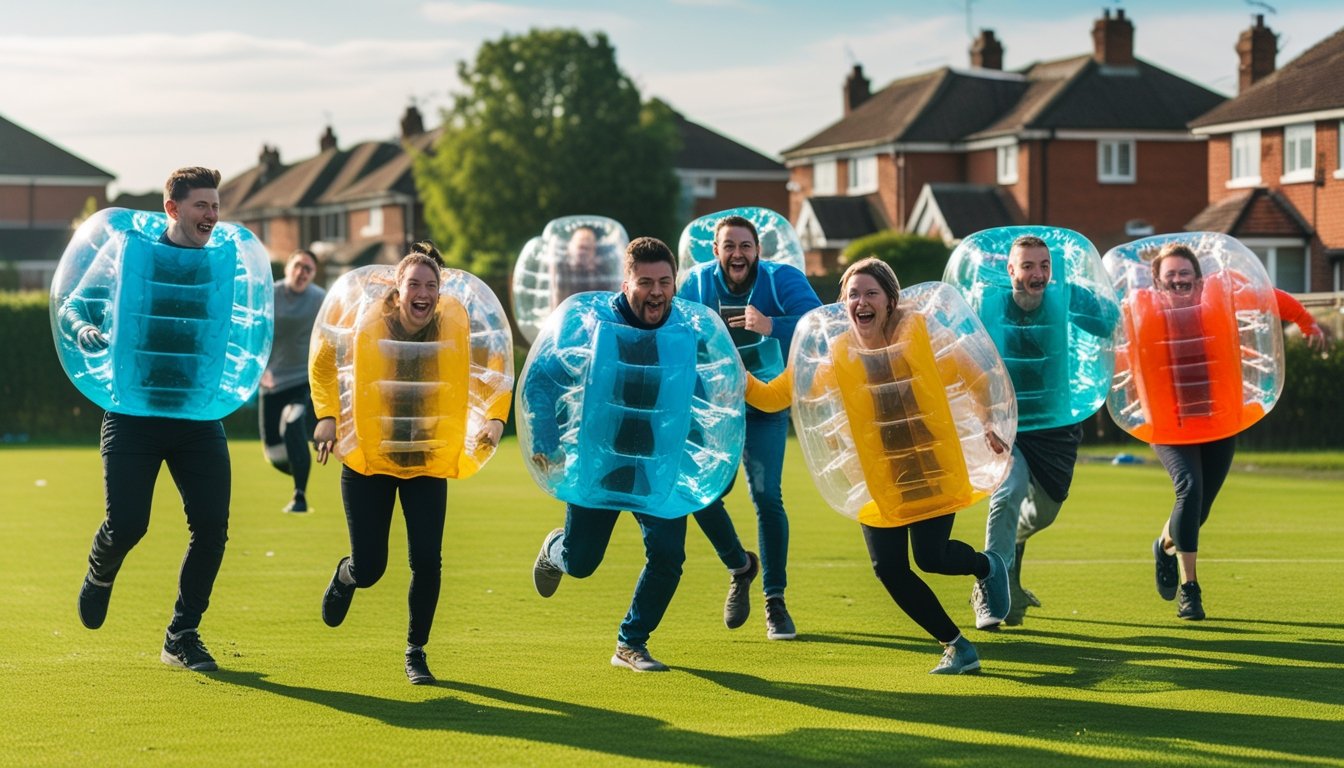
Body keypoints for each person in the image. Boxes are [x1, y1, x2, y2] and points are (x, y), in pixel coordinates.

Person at [745, 258, 1009, 674]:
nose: (861, 301)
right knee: (888, 567)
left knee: (932, 558)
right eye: (853, 294)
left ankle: (986, 566)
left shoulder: (918, 333)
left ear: (890, 300)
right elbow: (774, 397)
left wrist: (989, 421)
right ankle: (956, 645)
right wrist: (735, 375)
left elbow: (974, 376)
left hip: (931, 466)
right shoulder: (837, 354)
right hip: (879, 477)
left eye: (871, 293)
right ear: (843, 303)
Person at [311, 241, 508, 684]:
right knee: (372, 567)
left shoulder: (453, 325)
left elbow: (493, 363)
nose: (423, 292)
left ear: (439, 291)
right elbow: (325, 361)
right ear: (398, 290)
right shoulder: (366, 319)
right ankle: (347, 575)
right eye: (414, 284)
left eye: (431, 285)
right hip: (369, 460)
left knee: (427, 560)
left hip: (426, 457)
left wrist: (495, 418)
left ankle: (415, 651)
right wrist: (326, 417)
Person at [70, 167, 232, 672]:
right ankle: (101, 570)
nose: (212, 215)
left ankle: (182, 634)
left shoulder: (221, 266)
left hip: (196, 413)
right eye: (202, 205)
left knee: (212, 528)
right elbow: (77, 304)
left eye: (215, 205)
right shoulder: (129, 256)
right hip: (132, 411)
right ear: (173, 208)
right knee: (128, 524)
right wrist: (82, 330)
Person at [528, 237, 707, 673]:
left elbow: (698, 394)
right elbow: (540, 382)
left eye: (665, 281)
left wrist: (702, 449)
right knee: (583, 562)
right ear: (625, 282)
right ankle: (556, 550)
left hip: (657, 464)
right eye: (645, 282)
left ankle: (631, 643)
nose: (657, 292)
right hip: (600, 463)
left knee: (668, 557)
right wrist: (547, 442)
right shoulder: (591, 326)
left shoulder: (686, 330)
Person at [1144, 243, 1325, 620]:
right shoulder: (1140, 313)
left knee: (1199, 509)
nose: (1178, 281)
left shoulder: (1221, 301)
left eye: (1185, 274)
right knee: (1189, 487)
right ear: (1158, 283)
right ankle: (1190, 589)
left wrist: (1307, 322)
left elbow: (1270, 299)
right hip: (1169, 423)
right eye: (1170, 276)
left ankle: (1164, 545)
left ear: (1198, 279)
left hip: (1218, 419)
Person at [678, 215, 822, 640]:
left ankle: (774, 602)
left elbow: (822, 323)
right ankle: (740, 566)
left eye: (745, 246)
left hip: (767, 404)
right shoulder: (697, 284)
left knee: (766, 495)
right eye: (729, 246)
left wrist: (771, 325)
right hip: (714, 407)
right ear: (715, 251)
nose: (737, 253)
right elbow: (671, 328)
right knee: (700, 493)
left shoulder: (782, 279)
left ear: (758, 250)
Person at [973, 235, 1117, 629]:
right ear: (1011, 271)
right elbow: (968, 361)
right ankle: (991, 586)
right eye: (1028, 266)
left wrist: (1083, 291)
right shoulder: (988, 304)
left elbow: (1107, 326)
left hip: (1056, 423)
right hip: (1007, 422)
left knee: (1047, 511)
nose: (1037, 274)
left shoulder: (1063, 296)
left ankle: (1012, 544)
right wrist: (985, 420)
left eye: (1044, 266)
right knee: (1008, 492)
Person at [259, 248, 325, 513]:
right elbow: (254, 331)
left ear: (313, 274)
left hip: (303, 380)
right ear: (288, 267)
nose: (302, 272)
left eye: (308, 269)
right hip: (272, 380)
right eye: (298, 265)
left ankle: (300, 496)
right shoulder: (269, 294)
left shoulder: (320, 299)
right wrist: (259, 368)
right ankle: (299, 462)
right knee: (274, 453)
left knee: (293, 421)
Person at [550, 225, 604, 305]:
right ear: (569, 248)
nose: (582, 253)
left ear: (594, 250)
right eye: (580, 247)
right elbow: (555, 297)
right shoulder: (561, 268)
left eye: (586, 248)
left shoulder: (601, 271)